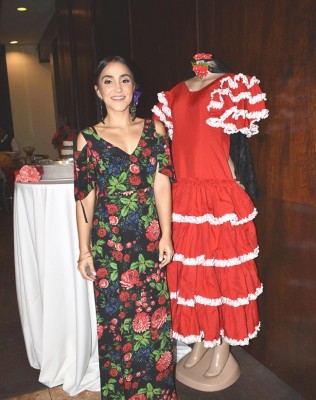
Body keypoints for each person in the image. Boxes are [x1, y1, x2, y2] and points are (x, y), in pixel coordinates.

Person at [152, 52, 269, 391]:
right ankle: (200, 341)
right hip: (184, 193)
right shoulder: (174, 93)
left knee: (222, 275)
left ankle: (222, 346)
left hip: (217, 194)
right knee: (191, 277)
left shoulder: (231, 85)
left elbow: (234, 144)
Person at [74, 55, 177, 400]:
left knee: (156, 324)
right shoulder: (87, 139)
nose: (117, 87)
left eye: (124, 79)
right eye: (108, 80)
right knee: (117, 329)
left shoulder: (155, 129)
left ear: (134, 88)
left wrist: (167, 234)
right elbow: (85, 197)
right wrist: (84, 249)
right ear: (97, 90)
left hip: (148, 246)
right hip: (110, 246)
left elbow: (162, 184)